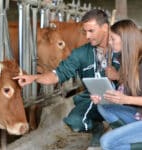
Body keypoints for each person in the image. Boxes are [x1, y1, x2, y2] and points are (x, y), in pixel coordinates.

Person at [13, 9, 120, 147]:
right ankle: (96, 128)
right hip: (95, 99)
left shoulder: (122, 47)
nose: (87, 36)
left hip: (123, 98)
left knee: (122, 122)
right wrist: (33, 78)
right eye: (84, 32)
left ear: (105, 28)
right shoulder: (81, 53)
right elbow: (58, 74)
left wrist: (118, 76)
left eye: (91, 31)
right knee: (75, 122)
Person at [90, 19, 142, 150]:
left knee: (107, 142)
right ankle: (129, 136)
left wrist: (125, 99)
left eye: (113, 39)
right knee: (104, 106)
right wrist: (106, 96)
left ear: (125, 40)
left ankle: (129, 139)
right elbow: (131, 89)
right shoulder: (128, 59)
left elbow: (129, 97)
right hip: (139, 115)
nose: (109, 42)